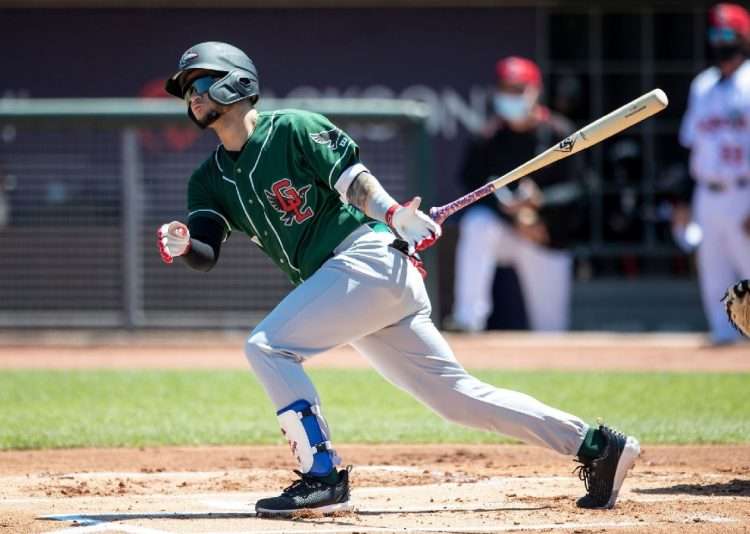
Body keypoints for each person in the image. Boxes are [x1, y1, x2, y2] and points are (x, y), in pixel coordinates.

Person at [157, 41, 639, 516]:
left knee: (267, 346)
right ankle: (597, 446)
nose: (192, 96)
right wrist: (185, 244)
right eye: (186, 91)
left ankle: (321, 477)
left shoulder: (293, 128)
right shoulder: (208, 178)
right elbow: (205, 250)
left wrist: (393, 215)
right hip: (356, 282)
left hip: (366, 259)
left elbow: (354, 181)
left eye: (200, 82)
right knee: (455, 399)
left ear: (237, 82)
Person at [449, 56, 585, 333]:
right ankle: (467, 319)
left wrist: (541, 202)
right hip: (506, 230)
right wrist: (513, 212)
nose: (511, 97)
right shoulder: (488, 137)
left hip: (546, 236)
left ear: (535, 90)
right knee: (477, 224)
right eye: (506, 89)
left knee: (551, 329)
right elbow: (470, 183)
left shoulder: (559, 133)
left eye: (518, 90)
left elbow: (579, 189)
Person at [678, 3, 750, 345]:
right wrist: (681, 201)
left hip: (745, 189)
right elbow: (689, 144)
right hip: (707, 192)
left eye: (728, 34)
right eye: (715, 34)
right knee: (715, 276)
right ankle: (724, 342)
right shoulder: (702, 85)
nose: (721, 41)